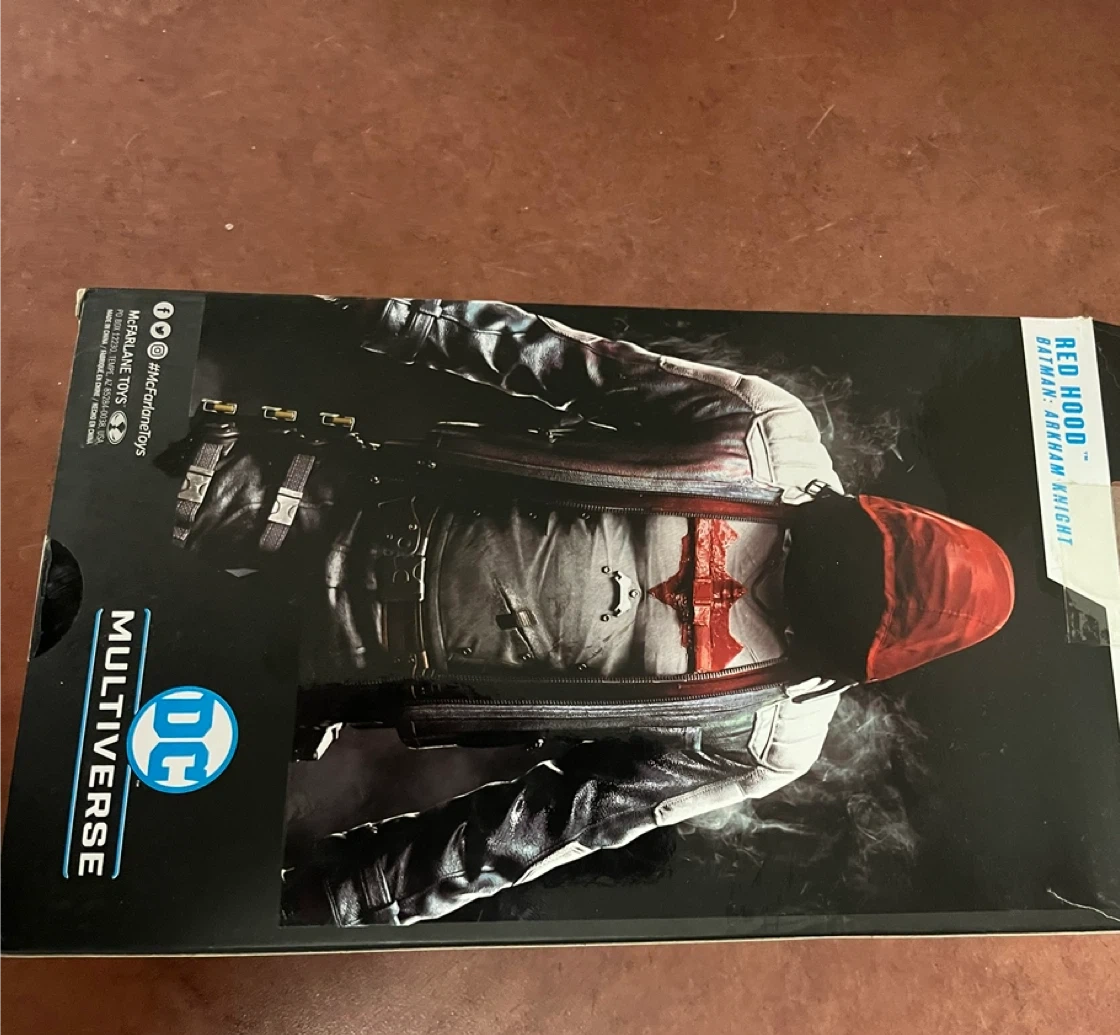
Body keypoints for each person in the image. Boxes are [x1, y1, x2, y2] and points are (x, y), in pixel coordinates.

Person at [162, 297, 1015, 925]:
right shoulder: (765, 436)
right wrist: (382, 312)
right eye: (845, 567)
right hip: (300, 504)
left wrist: (342, 899)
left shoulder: (766, 732)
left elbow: (541, 827)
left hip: (310, 667)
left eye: (845, 601)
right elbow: (558, 362)